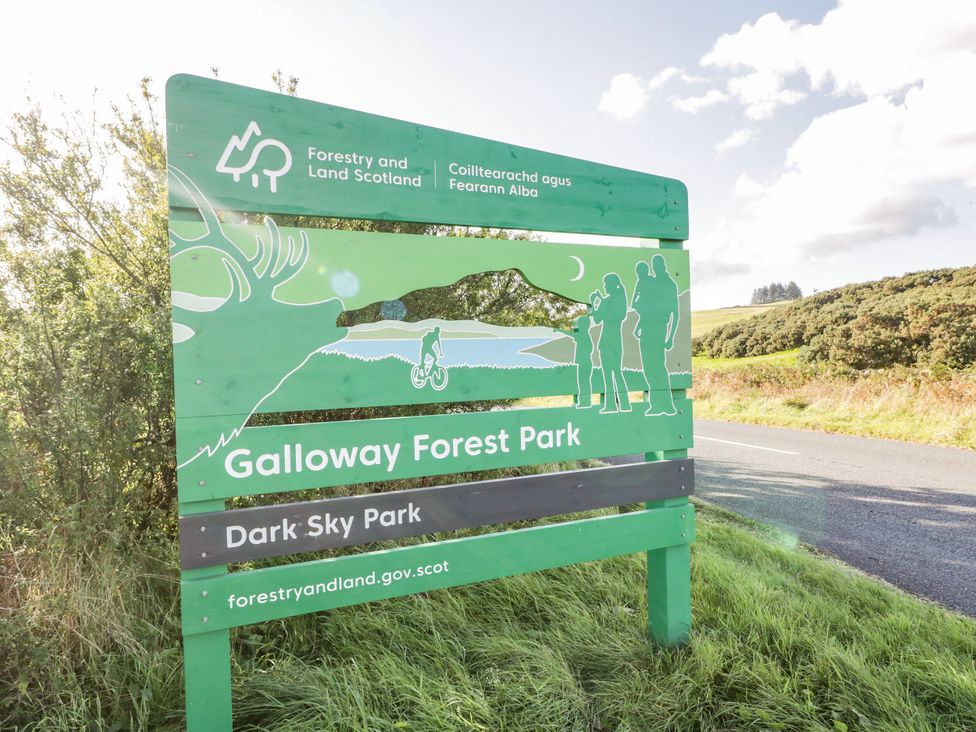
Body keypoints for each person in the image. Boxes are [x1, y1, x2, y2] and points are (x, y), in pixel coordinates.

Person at [631, 256, 678, 416]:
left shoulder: (668, 284)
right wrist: (639, 325)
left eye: (658, 265)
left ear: (663, 266)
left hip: (658, 329)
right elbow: (645, 309)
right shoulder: (651, 283)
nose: (656, 269)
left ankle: (667, 404)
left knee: (657, 366)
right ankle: (656, 404)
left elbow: (675, 313)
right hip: (647, 329)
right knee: (649, 368)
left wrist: (671, 337)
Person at [589, 273, 631, 413]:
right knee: (607, 375)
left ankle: (625, 404)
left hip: (614, 341)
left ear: (613, 284)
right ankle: (610, 405)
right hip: (605, 342)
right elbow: (597, 319)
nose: (605, 286)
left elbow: (616, 315)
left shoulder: (619, 298)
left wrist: (601, 301)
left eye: (606, 284)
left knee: (617, 373)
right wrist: (595, 303)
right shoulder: (607, 300)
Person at [558, 310, 594, 408]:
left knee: (584, 383)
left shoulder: (584, 336)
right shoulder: (585, 336)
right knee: (582, 383)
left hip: (585, 363)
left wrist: (558, 331)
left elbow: (571, 335)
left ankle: (585, 402)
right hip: (584, 363)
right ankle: (584, 401)